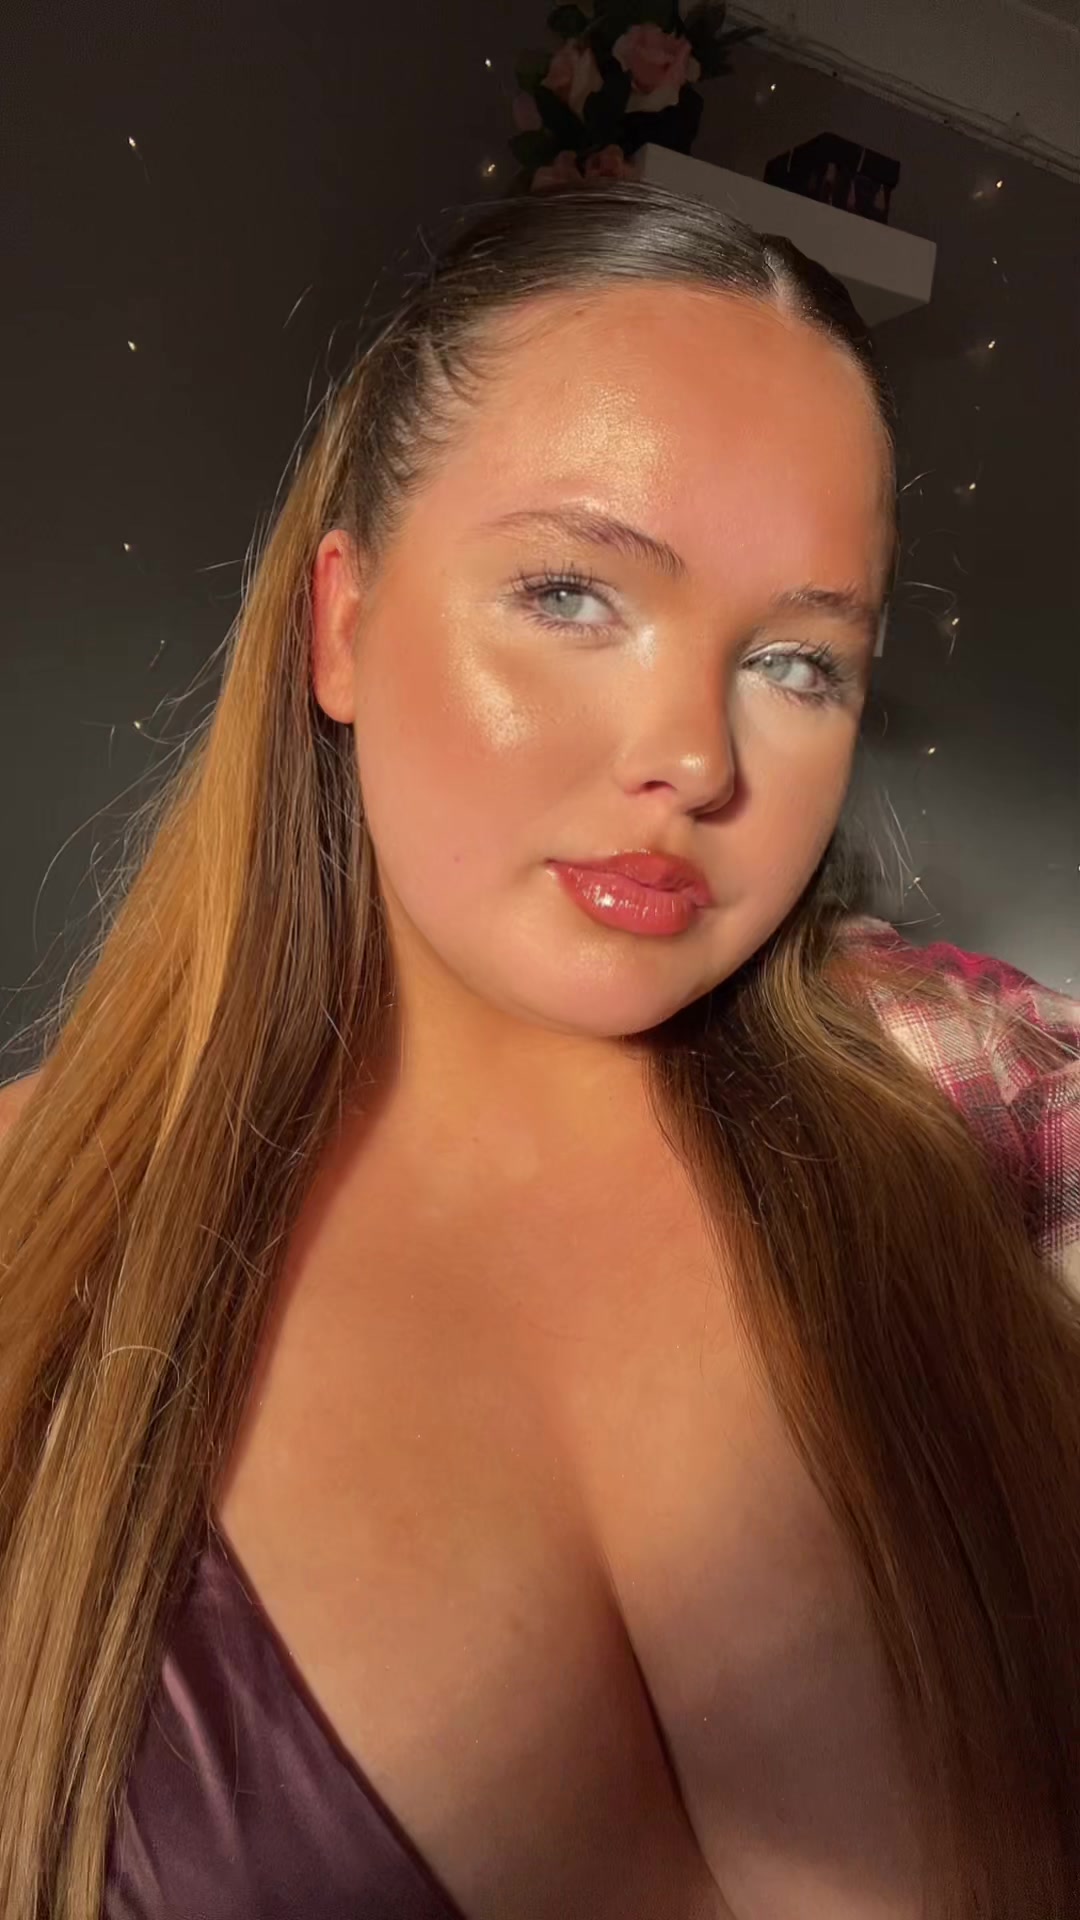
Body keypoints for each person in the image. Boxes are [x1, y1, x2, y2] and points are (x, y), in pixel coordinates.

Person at [0, 181, 1077, 1920]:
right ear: (341, 625)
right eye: (573, 594)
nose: (695, 759)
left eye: (800, 663)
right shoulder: (29, 1234)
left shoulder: (961, 1091)